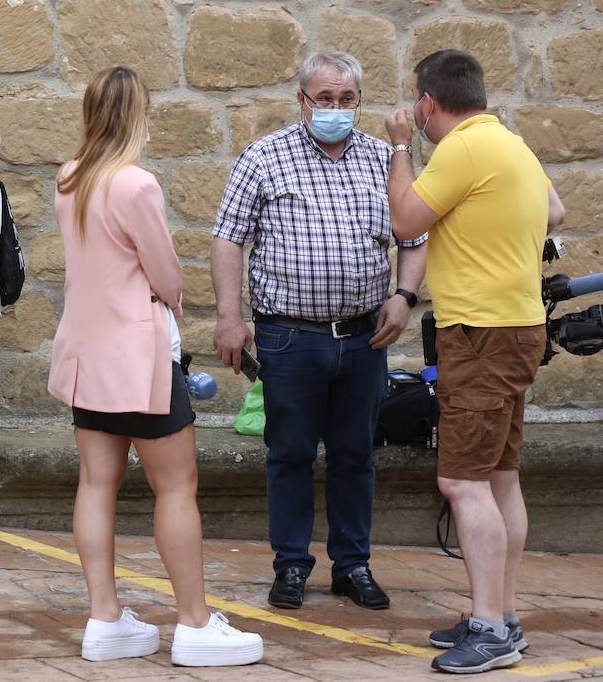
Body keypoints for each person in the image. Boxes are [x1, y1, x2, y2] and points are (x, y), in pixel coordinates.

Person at [50, 66, 264, 666]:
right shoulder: (136, 184)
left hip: (88, 353)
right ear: (137, 114)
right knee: (176, 487)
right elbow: (167, 276)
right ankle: (193, 623)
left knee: (96, 483)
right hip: (141, 355)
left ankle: (105, 617)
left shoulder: (69, 178)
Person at [211, 52, 428, 611]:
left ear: (360, 101)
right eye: (324, 99)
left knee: (357, 454)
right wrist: (230, 317)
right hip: (289, 337)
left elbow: (414, 237)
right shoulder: (264, 157)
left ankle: (352, 565)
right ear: (302, 101)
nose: (336, 109)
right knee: (289, 454)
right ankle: (290, 566)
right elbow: (229, 237)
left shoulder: (386, 160)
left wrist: (405, 297)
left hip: (364, 337)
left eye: (347, 99)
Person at [386, 50, 566, 674]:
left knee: (462, 480)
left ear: (428, 103)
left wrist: (401, 150)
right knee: (500, 476)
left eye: (417, 104)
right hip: (517, 327)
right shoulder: (512, 145)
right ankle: (502, 612)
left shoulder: (460, 149)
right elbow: (555, 212)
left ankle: (491, 628)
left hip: (480, 333)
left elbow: (406, 219)